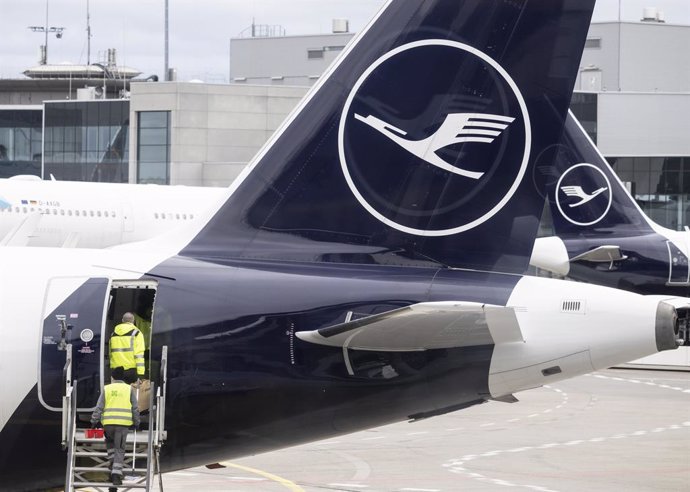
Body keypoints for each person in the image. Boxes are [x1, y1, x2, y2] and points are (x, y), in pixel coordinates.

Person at [91, 366, 140, 486]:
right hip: (122, 425)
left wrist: (94, 421)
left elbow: (99, 407)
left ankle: (112, 464)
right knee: (119, 449)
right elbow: (135, 408)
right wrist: (137, 422)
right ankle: (116, 475)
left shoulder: (107, 388)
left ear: (112, 377)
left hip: (108, 424)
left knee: (110, 445)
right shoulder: (128, 389)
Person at [110, 312, 146, 384]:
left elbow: (111, 353)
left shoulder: (113, 334)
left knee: (118, 393)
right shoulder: (137, 333)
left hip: (116, 371)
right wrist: (140, 374)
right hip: (131, 371)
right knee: (130, 393)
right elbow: (139, 355)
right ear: (133, 321)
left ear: (122, 320)